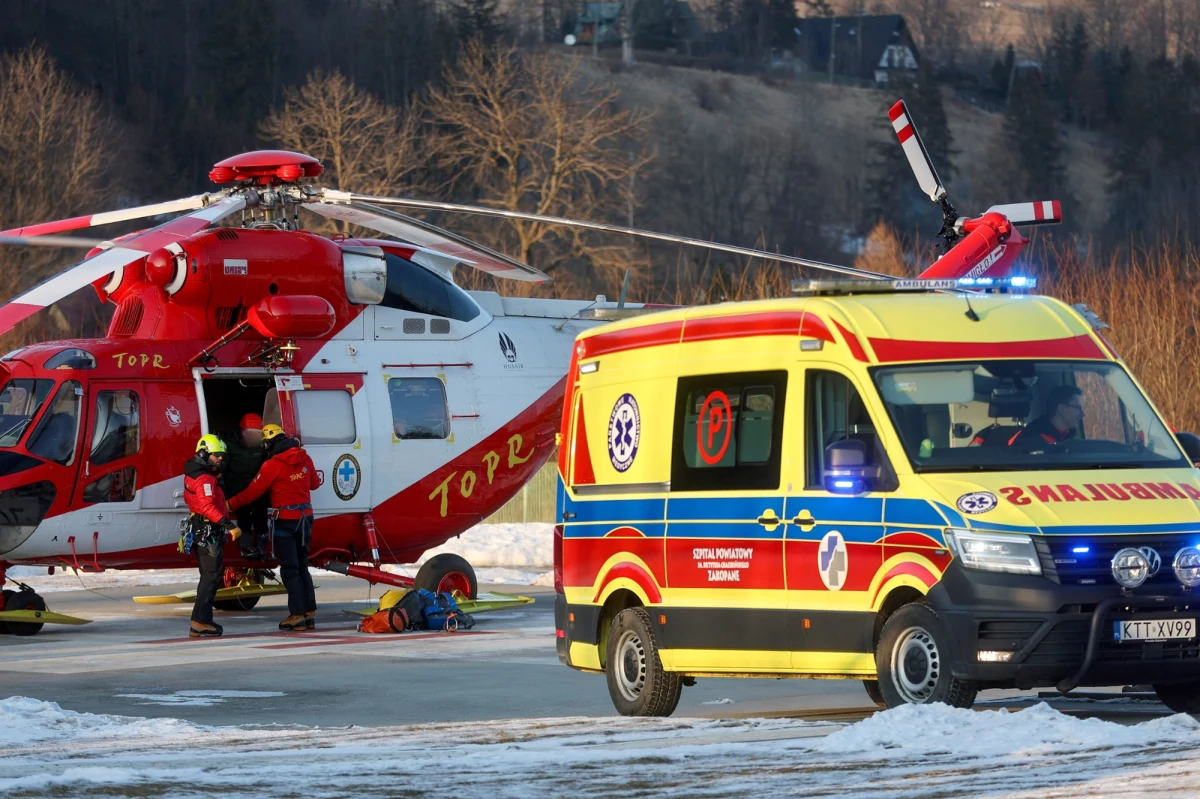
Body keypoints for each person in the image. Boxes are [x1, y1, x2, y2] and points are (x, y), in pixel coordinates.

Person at [229, 424, 320, 631]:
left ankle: (296, 615)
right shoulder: (304, 458)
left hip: (286, 521)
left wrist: (230, 504)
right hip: (306, 518)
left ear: (269, 443)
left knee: (290, 569)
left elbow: (253, 492)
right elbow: (314, 484)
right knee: (302, 566)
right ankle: (309, 613)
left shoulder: (272, 464)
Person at [183, 434, 241, 638]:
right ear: (203, 453)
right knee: (211, 577)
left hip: (200, 529)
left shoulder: (195, 473)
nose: (219, 459)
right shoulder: (205, 478)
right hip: (208, 531)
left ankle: (200, 620)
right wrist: (229, 525)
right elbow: (207, 506)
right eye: (216, 455)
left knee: (208, 576)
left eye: (221, 456)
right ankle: (200, 621)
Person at [221, 413, 269, 560]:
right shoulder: (230, 446)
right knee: (244, 513)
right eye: (250, 433)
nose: (253, 437)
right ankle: (246, 545)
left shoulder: (262, 448)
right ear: (242, 432)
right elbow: (222, 469)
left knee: (261, 510)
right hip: (236, 487)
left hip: (255, 486)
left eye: (257, 434)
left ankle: (262, 542)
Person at [1008, 385, 1083, 448]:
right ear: (1062, 409)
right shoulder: (1027, 438)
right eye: (1078, 408)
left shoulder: (1072, 440)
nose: (1083, 414)